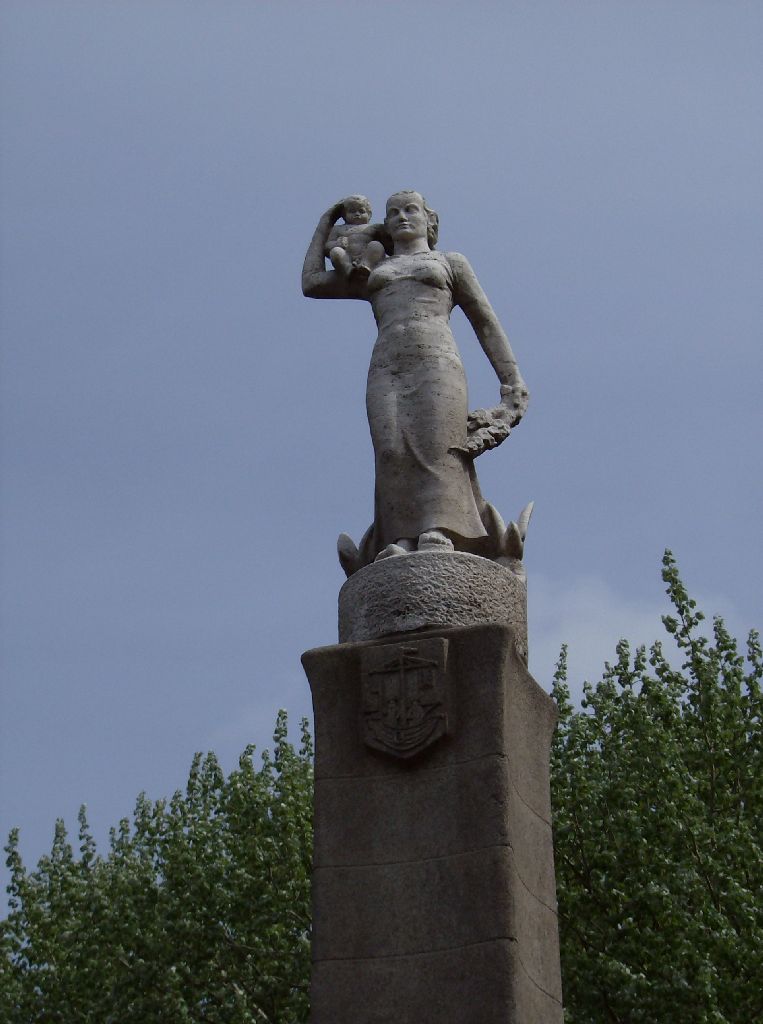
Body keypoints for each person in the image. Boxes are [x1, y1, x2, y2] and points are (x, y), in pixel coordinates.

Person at [302, 190, 528, 573]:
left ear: (429, 220)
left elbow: (485, 321)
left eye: (411, 210)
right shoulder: (373, 269)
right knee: (391, 450)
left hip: (437, 360)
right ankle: (400, 537)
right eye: (393, 213)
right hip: (387, 364)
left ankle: (438, 529)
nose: (402, 217)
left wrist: (511, 382)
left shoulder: (449, 262)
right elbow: (311, 283)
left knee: (437, 444)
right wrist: (327, 221)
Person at [324, 195, 387, 279]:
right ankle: (349, 269)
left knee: (376, 245)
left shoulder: (374, 227)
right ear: (344, 215)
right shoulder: (337, 229)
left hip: (367, 256)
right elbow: (327, 246)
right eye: (352, 211)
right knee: (335, 251)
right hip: (346, 257)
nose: (357, 214)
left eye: (361, 211)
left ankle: (365, 266)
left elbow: (386, 240)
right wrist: (337, 243)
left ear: (369, 214)